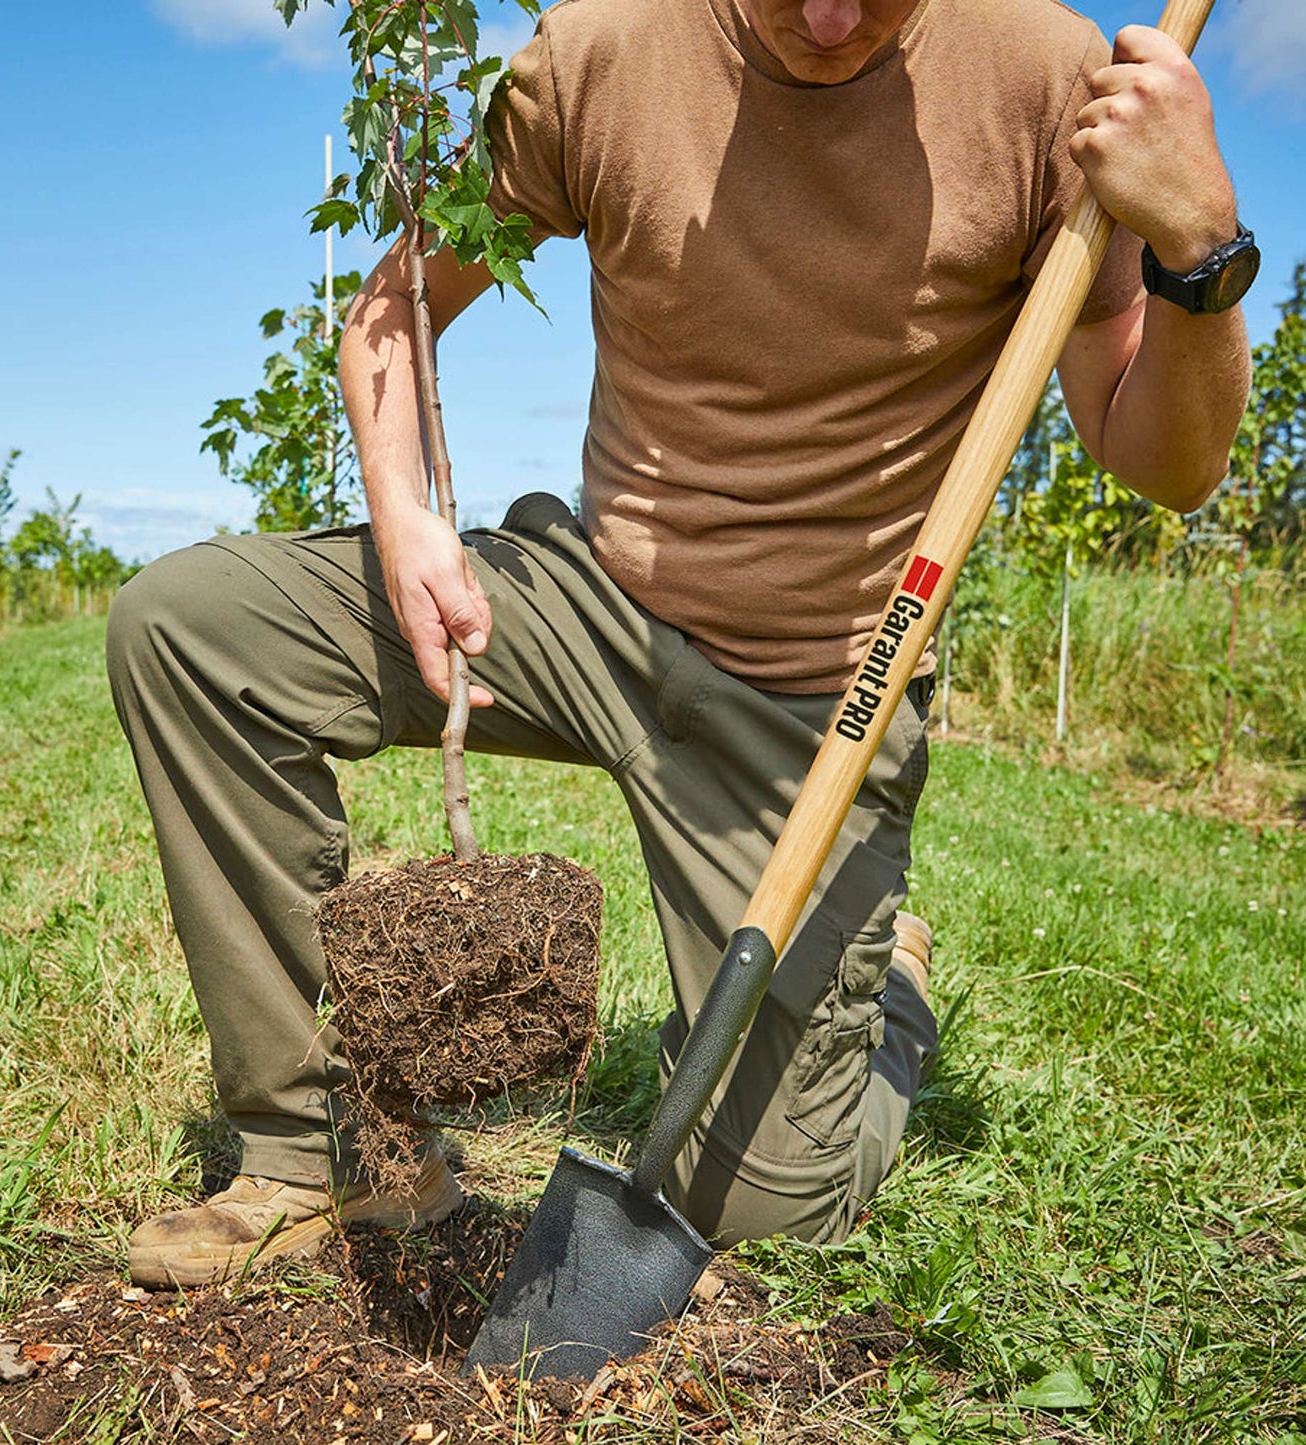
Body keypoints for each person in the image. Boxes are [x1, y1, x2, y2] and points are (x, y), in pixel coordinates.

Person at [108, 0, 1254, 1289]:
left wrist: (1199, 244)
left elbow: (1168, 463)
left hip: (825, 693)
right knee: (192, 628)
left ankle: (892, 993)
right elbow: (395, 305)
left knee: (765, 1206)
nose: (828, 18)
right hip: (593, 608)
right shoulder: (602, 52)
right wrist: (410, 521)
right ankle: (316, 1154)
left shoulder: (1052, 84)